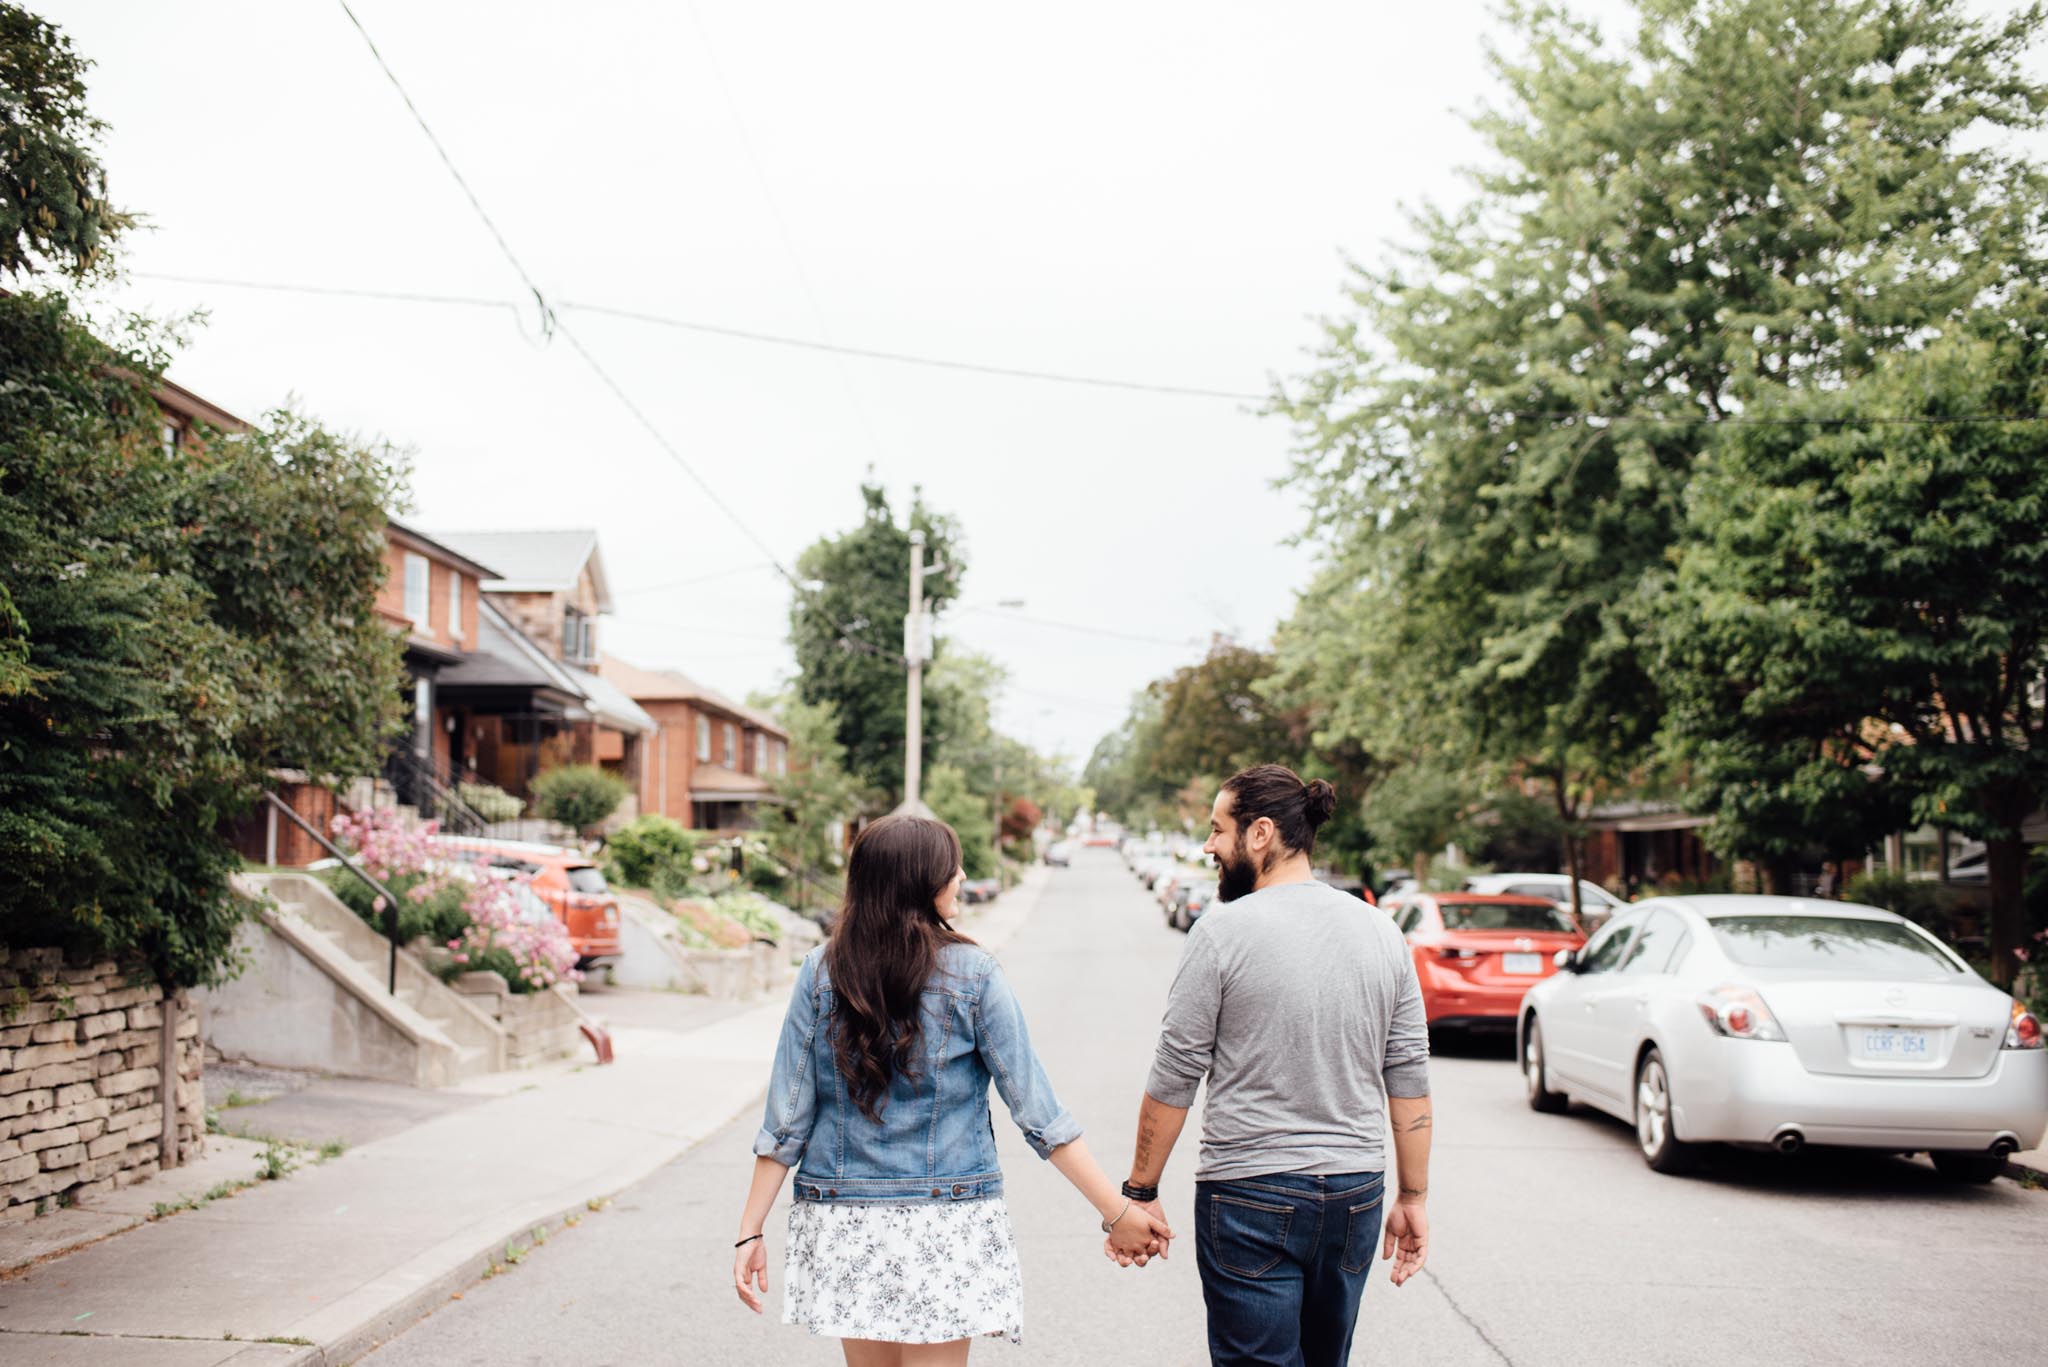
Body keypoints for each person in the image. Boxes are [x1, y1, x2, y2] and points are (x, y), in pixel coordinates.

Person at [733, 813, 1171, 1364]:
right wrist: (1118, 1212)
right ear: (918, 881)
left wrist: (749, 1231)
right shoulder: (974, 974)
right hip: (948, 1222)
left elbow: (786, 1119)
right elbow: (1039, 1114)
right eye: (950, 868)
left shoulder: (822, 973)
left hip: (846, 1221)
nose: (961, 875)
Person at [1113, 764, 1433, 1366]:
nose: (1208, 846)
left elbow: (1176, 1076)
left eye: (1217, 830)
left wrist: (1141, 1189)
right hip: (1355, 1194)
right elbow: (1409, 1076)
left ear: (1260, 834)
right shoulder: (1383, 931)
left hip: (1249, 1195)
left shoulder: (1220, 933)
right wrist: (1413, 1196)